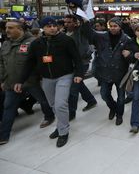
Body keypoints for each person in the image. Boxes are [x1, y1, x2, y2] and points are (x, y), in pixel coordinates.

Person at [15, 17, 84, 147]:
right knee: (53, 105)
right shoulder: (36, 44)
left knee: (60, 105)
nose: (52, 28)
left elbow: (77, 58)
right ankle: (60, 125)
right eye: (48, 26)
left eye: (54, 25)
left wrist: (79, 74)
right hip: (46, 78)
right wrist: (20, 80)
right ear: (43, 28)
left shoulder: (66, 40)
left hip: (64, 76)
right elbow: (29, 63)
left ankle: (63, 132)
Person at [0, 20, 55, 145]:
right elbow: (1, 63)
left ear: (20, 29)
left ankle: (49, 116)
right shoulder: (6, 44)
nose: (7, 30)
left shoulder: (33, 42)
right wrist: (2, 79)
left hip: (30, 81)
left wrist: (43, 76)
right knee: (8, 107)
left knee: (43, 100)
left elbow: (43, 60)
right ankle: (4, 135)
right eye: (6, 28)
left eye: (11, 28)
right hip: (11, 82)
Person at [88, 17, 132, 126]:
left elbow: (132, 54)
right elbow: (90, 33)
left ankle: (119, 115)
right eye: (111, 26)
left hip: (120, 73)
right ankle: (113, 108)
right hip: (105, 72)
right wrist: (85, 21)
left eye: (115, 26)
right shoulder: (102, 36)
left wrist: (129, 54)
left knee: (121, 97)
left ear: (120, 27)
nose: (112, 28)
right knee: (104, 94)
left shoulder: (126, 39)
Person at [63, 14, 97, 121]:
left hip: (82, 63)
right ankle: (91, 100)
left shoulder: (80, 32)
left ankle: (71, 113)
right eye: (65, 22)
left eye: (69, 22)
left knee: (73, 89)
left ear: (75, 23)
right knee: (79, 83)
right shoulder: (65, 33)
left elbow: (87, 28)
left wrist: (83, 18)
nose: (66, 24)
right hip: (70, 63)